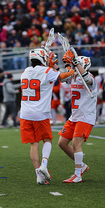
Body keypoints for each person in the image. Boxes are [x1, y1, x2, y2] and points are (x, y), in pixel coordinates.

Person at [20, 48, 75, 185]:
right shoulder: (47, 71)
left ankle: (39, 175)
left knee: (34, 145)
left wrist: (51, 64)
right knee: (47, 140)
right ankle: (44, 165)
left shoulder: (25, 72)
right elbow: (65, 76)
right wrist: (69, 68)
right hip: (40, 113)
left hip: (25, 114)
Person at [58, 52, 97, 183]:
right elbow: (62, 78)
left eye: (77, 65)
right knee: (62, 143)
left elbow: (86, 78)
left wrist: (76, 64)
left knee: (76, 143)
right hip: (74, 116)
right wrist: (67, 64)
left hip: (85, 116)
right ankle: (82, 166)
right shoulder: (74, 76)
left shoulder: (90, 78)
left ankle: (77, 174)